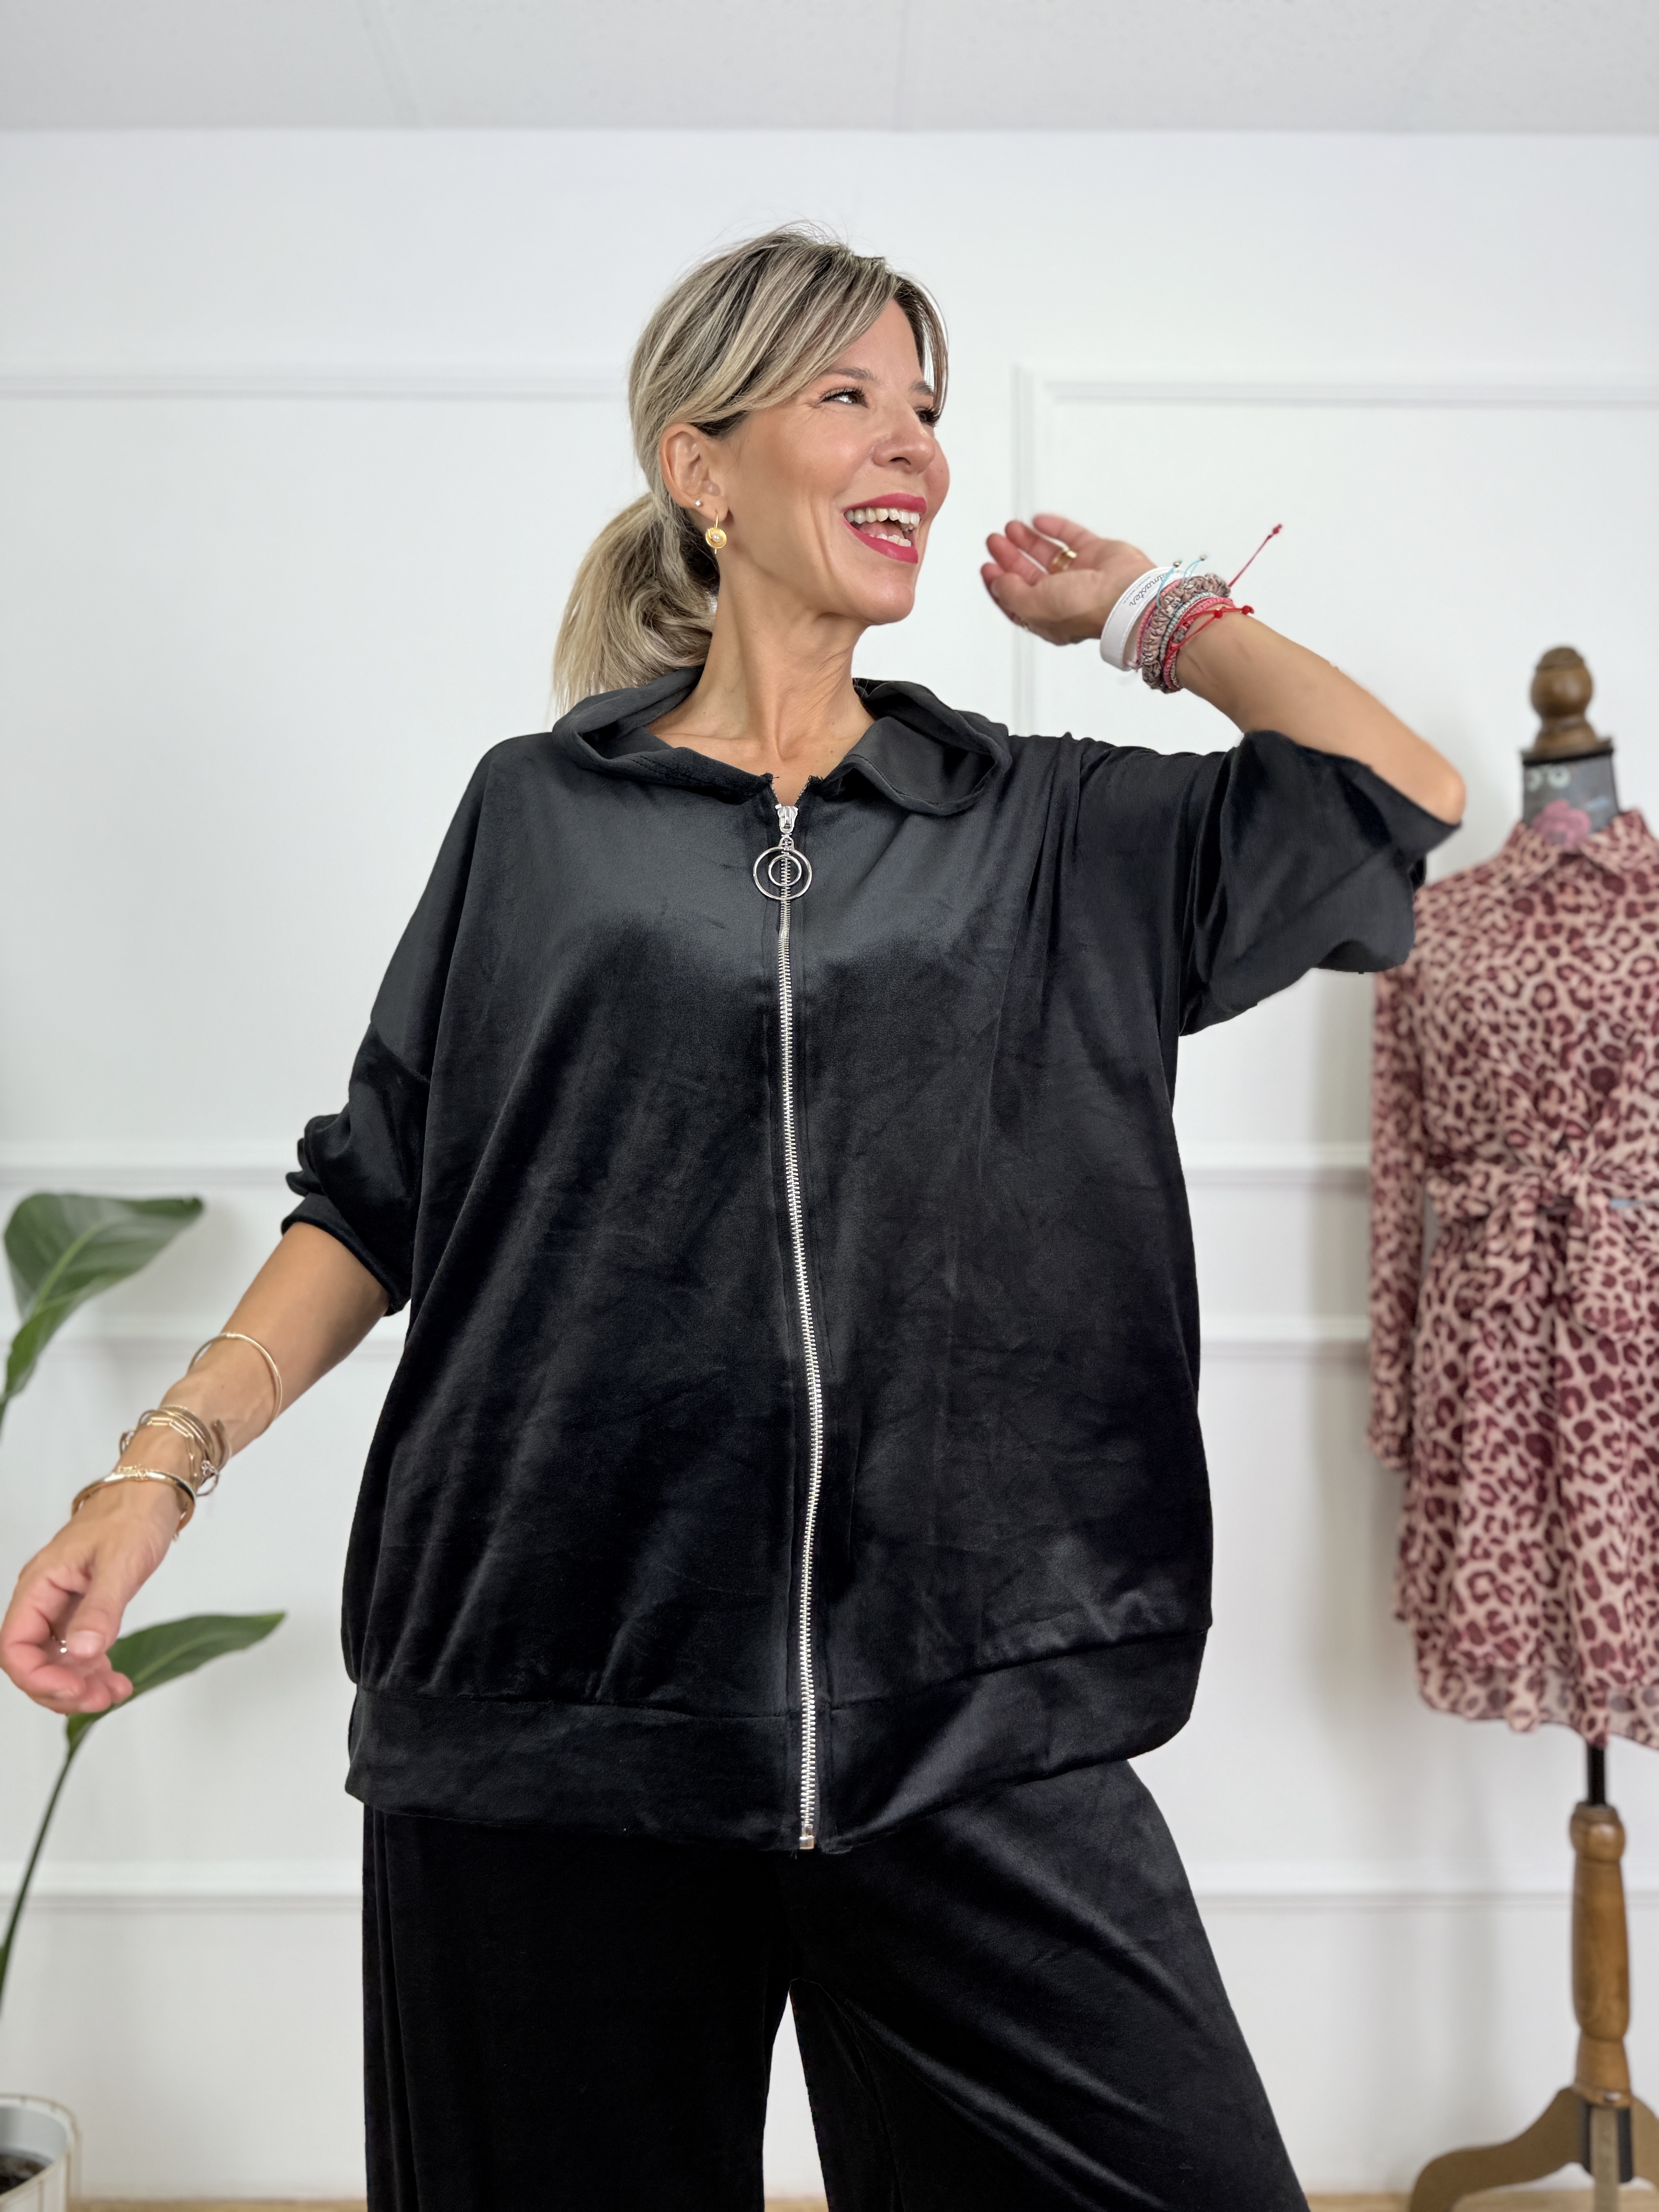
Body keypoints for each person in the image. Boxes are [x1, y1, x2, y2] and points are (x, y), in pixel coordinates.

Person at [2, 226, 1464, 2211]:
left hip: (969, 1723)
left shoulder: (1045, 825)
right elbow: (379, 1194)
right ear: (703, 464)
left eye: (927, 407)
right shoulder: (540, 817)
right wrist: (157, 1469)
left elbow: (1390, 790)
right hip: (556, 1720)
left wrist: (1144, 609)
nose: (915, 446)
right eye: (849, 396)